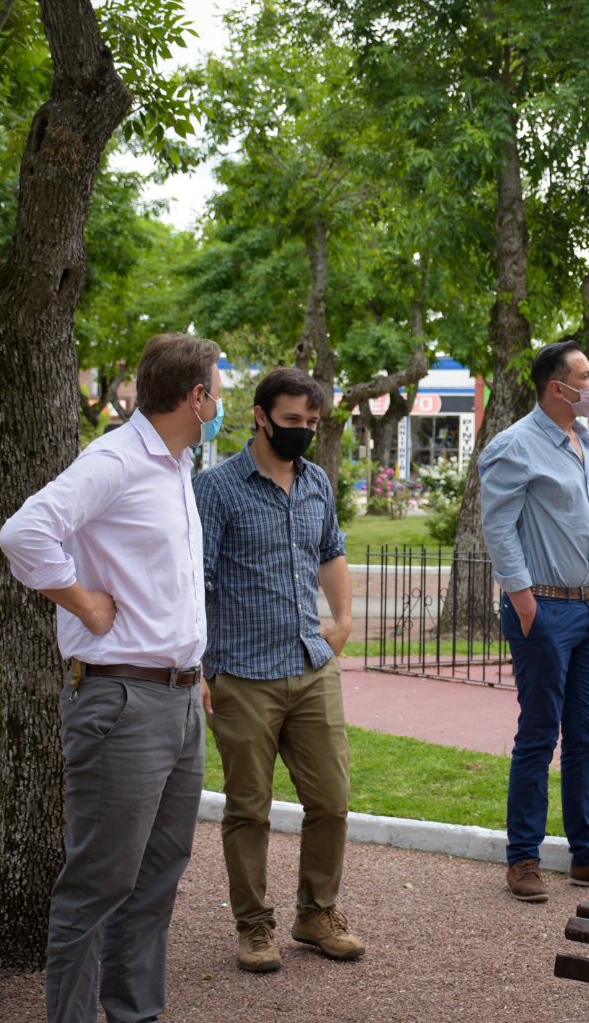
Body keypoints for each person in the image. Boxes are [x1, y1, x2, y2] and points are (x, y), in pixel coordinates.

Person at [0, 333, 223, 1023]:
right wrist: (83, 600)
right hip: (122, 701)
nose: (223, 399)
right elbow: (23, 533)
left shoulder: (177, 464)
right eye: (219, 386)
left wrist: (195, 667)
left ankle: (134, 1015)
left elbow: (168, 582)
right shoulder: (116, 461)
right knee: (99, 885)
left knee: (156, 881)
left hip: (179, 699)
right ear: (196, 396)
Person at [194, 367, 361, 973]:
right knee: (249, 808)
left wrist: (341, 621)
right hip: (242, 672)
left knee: (333, 800)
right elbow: (196, 580)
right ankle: (254, 925)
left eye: (312, 423)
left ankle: (316, 913)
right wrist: (201, 665)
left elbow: (331, 549)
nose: (303, 432)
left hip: (312, 666)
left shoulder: (316, 481)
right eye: (293, 421)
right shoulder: (215, 489)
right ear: (261, 416)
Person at [479, 340, 589, 904]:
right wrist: (525, 606)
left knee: (588, 734)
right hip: (542, 608)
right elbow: (498, 530)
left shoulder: (583, 440)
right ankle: (523, 858)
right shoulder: (513, 446)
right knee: (540, 734)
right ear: (556, 387)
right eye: (586, 377)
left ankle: (587, 854)